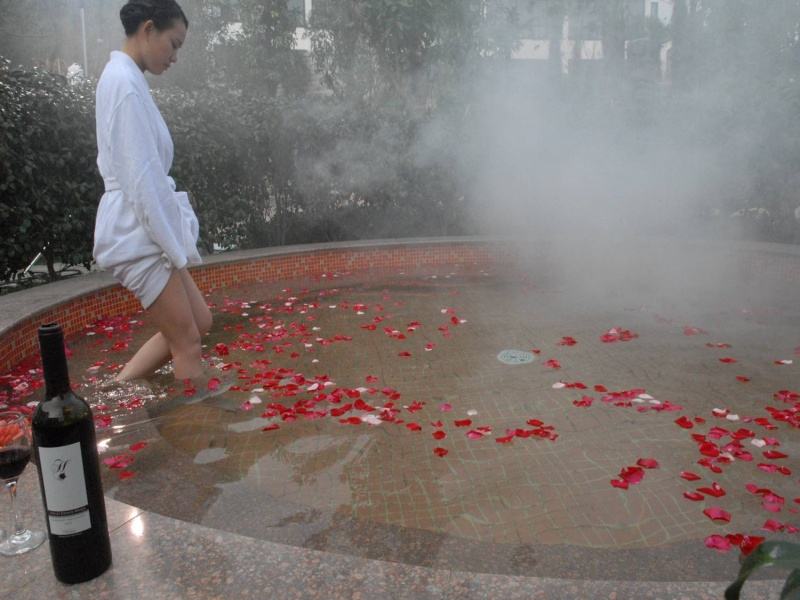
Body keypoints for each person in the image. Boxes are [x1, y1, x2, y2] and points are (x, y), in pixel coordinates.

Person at [93, 0, 212, 387]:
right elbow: (142, 180)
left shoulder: (127, 80)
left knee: (200, 321)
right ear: (148, 30)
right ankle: (198, 434)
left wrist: (174, 244)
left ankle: (115, 388)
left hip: (148, 226)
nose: (175, 56)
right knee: (188, 341)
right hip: (137, 230)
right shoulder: (124, 85)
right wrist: (172, 247)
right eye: (173, 43)